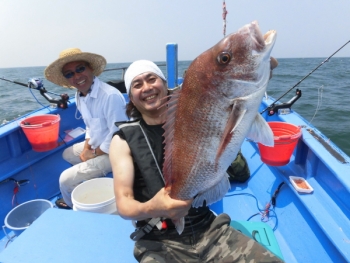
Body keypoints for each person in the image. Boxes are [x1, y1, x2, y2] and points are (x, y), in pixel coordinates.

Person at [109, 60, 283, 262]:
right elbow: (124, 205)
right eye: (137, 85)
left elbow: (224, 96)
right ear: (131, 97)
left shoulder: (195, 117)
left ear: (165, 84)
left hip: (208, 229)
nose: (147, 87)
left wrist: (256, 71)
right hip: (158, 242)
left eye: (151, 79)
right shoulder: (122, 141)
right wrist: (153, 207)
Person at [44, 48, 128, 209]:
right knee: (67, 154)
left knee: (65, 180)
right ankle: (93, 178)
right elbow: (90, 126)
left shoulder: (110, 96)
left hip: (117, 152)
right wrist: (87, 147)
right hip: (97, 146)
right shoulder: (80, 95)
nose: (76, 76)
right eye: (69, 74)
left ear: (90, 68)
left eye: (80, 69)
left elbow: (119, 135)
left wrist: (94, 154)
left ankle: (72, 205)